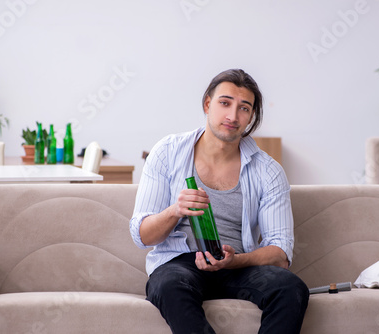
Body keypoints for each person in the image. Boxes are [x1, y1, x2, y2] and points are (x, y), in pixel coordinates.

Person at [130, 69, 309, 333]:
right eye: (225, 103)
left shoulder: (268, 171)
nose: (232, 116)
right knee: (169, 286)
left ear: (251, 117)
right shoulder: (167, 153)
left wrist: (235, 260)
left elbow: (281, 253)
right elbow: (141, 235)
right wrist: (175, 211)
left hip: (237, 264)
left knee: (291, 288)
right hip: (179, 263)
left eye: (244, 108)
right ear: (207, 104)